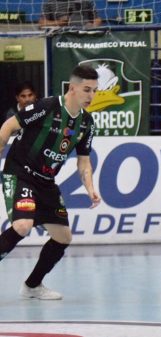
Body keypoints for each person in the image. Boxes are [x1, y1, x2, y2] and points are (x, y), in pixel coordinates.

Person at [0, 65, 101, 300]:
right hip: (20, 173)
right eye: (87, 90)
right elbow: (8, 126)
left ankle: (32, 286)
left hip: (46, 182)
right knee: (23, 225)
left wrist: (90, 188)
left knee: (63, 237)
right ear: (73, 88)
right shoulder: (46, 107)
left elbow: (83, 162)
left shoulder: (87, 123)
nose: (91, 96)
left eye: (95, 91)